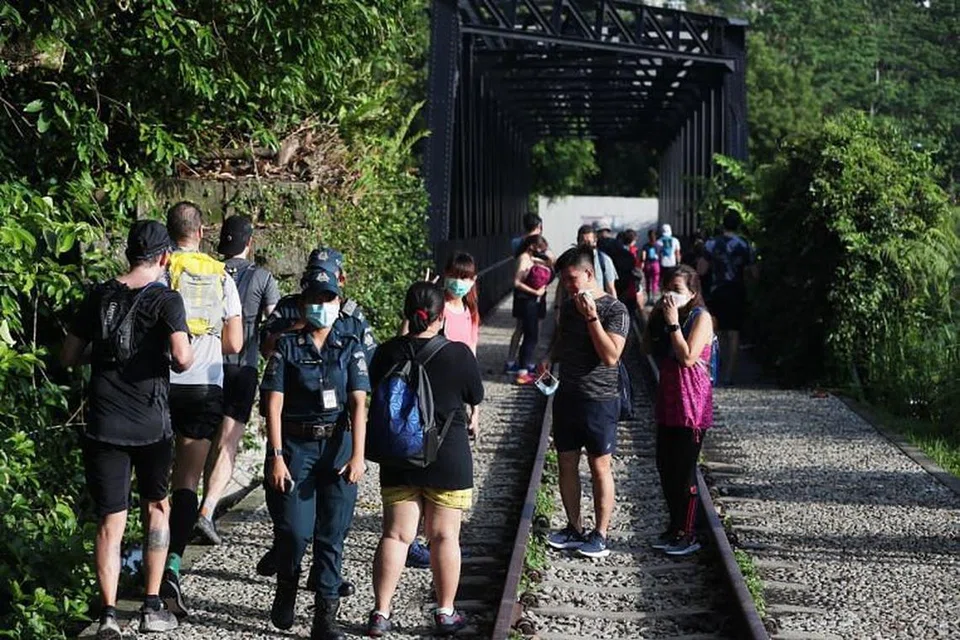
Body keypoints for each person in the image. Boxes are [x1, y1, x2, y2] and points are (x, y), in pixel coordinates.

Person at [61, 220, 194, 637]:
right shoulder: (167, 299)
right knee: (157, 507)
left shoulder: (99, 294)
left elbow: (66, 356)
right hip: (152, 425)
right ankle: (152, 608)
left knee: (110, 520)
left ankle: (107, 616)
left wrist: (102, 358)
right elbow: (183, 357)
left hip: (103, 420)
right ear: (163, 257)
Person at [366, 282, 485, 638]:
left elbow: (375, 386)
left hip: (399, 454)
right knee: (444, 536)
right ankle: (445, 612)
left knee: (396, 535)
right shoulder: (459, 354)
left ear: (407, 314)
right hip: (447, 457)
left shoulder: (387, 353)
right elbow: (475, 394)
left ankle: (380, 613)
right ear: (440, 315)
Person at [256, 247, 377, 583]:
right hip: (295, 421)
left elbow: (367, 366)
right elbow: (267, 347)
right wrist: (300, 326)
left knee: (334, 516)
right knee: (294, 521)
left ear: (341, 278)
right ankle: (287, 554)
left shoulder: (351, 314)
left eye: (329, 276)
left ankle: (326, 580)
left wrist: (360, 449)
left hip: (337, 429)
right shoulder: (289, 307)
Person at [161, 202, 243, 617]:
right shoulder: (221, 275)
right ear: (202, 230)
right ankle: (172, 566)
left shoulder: (160, 269)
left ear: (168, 230)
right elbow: (235, 343)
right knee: (187, 481)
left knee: (155, 484)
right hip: (204, 384)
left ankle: (147, 569)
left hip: (160, 384)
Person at [195, 215, 280, 544]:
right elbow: (272, 326)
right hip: (241, 368)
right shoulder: (262, 277)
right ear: (250, 243)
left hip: (203, 367)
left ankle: (197, 507)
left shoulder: (207, 272)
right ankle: (206, 511)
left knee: (203, 441)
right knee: (227, 443)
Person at [542, 246, 629, 559]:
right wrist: (550, 357)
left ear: (589, 274)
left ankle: (601, 534)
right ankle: (574, 527)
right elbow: (563, 339)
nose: (567, 285)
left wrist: (591, 317)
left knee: (598, 466)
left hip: (600, 399)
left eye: (571, 278)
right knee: (566, 461)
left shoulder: (615, 310)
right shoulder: (567, 305)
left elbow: (610, 356)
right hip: (568, 395)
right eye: (564, 280)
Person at [642, 265, 714, 556]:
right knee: (666, 467)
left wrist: (673, 323)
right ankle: (674, 527)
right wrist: (655, 317)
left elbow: (687, 357)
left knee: (684, 471)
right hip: (669, 403)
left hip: (692, 406)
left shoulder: (701, 317)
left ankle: (688, 533)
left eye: (678, 290)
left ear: (693, 293)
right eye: (668, 288)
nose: (671, 295)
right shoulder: (667, 315)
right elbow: (646, 348)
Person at [698, 211, 755, 386]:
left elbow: (701, 270)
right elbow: (753, 273)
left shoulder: (711, 244)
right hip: (737, 291)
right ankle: (729, 374)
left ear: (723, 224)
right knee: (734, 332)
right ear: (738, 225)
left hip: (717, 291)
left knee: (719, 330)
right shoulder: (745, 245)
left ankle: (718, 368)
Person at [510, 235, 552, 384]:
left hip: (532, 302)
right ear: (532, 246)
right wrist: (535, 292)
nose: (542, 251)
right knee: (530, 336)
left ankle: (525, 367)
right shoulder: (524, 259)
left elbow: (550, 261)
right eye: (540, 247)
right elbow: (517, 282)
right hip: (528, 301)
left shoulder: (531, 258)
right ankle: (522, 371)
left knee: (531, 335)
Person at [640, 229, 661, 302]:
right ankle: (654, 298)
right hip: (656, 265)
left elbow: (643, 257)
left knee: (648, 281)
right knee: (655, 281)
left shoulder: (645, 246)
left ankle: (649, 298)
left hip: (648, 264)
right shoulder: (658, 246)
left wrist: (642, 263)